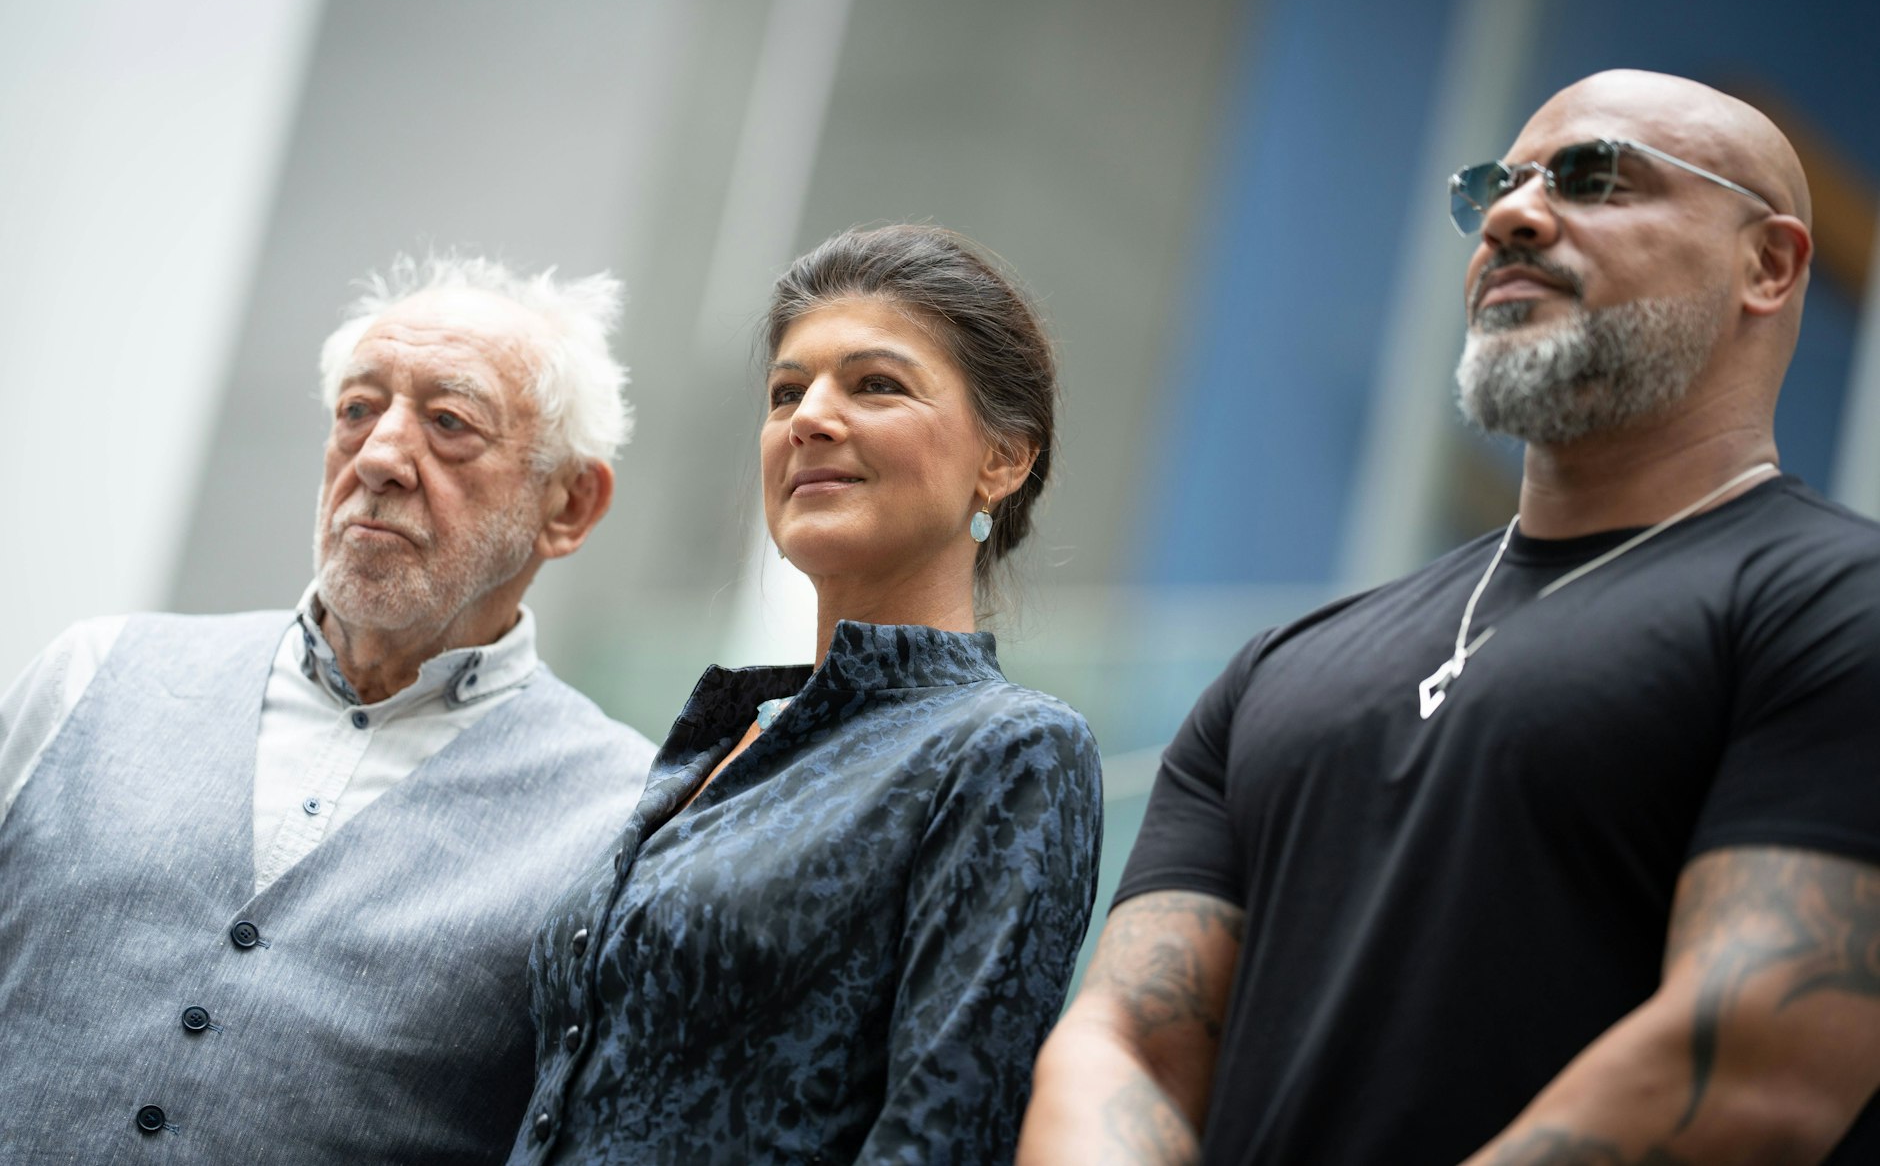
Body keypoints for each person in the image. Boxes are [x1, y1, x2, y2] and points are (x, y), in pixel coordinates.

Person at [1019, 70, 1880, 1165]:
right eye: (1493, 187)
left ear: (1765, 263)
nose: (1513, 214)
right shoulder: (1279, 670)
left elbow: (1759, 1058)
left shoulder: (1832, 605)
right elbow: (1126, 1040)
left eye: (1594, 177)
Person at [0, 255, 656, 1164]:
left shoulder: (629, 816)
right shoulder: (91, 671)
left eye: (450, 422)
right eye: (358, 410)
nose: (382, 456)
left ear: (570, 502)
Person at [508, 224, 1103, 1165]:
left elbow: (942, 1132)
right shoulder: (722, 741)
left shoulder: (1008, 747)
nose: (809, 417)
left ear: (1003, 459)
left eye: (876, 384)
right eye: (788, 391)